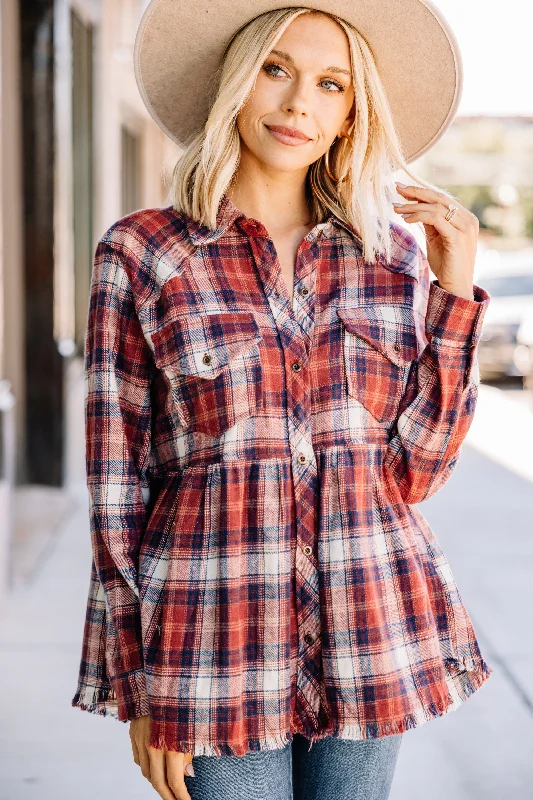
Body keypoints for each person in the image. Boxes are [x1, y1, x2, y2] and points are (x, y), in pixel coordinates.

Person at [71, 1, 494, 798]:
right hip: (209, 640)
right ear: (236, 84)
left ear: (349, 115)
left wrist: (452, 292)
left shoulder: (394, 258)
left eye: (330, 84)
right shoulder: (142, 252)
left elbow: (416, 472)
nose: (300, 102)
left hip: (373, 625)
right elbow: (117, 486)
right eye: (277, 69)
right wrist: (135, 680)